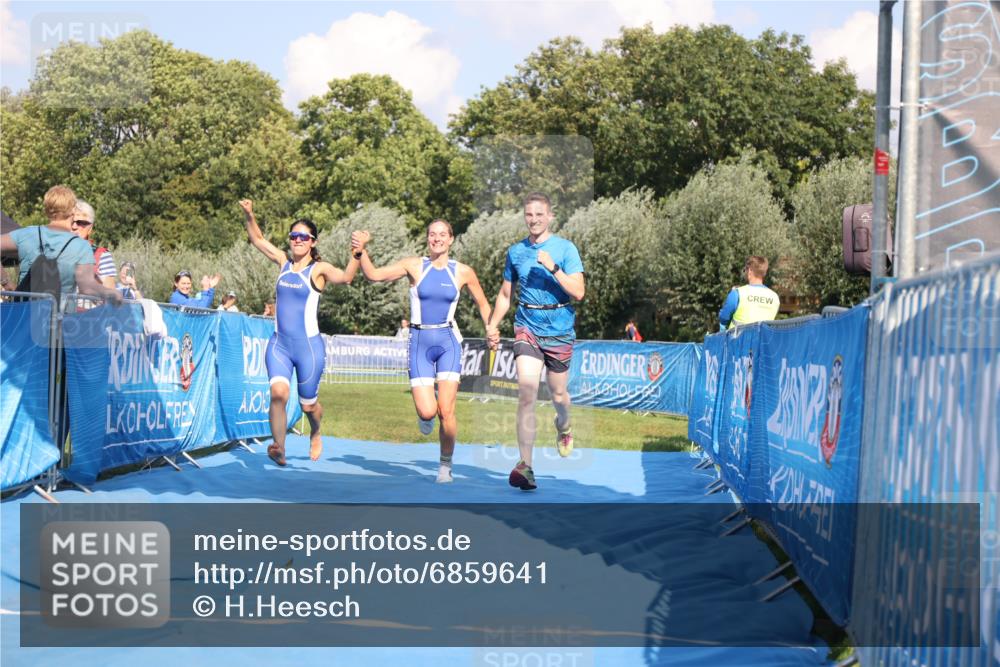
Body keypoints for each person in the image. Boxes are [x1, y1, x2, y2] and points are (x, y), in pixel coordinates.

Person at [352, 220, 492, 484]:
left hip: (448, 341)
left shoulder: (463, 272)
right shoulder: (414, 265)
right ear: (427, 239)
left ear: (451, 239)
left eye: (442, 235)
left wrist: (491, 328)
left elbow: (483, 304)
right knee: (428, 412)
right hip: (419, 341)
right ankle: (424, 416)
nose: (437, 239)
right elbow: (374, 275)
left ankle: (445, 467)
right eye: (432, 235)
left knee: (447, 410)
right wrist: (361, 252)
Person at [240, 198, 360, 466]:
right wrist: (250, 214)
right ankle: (278, 447)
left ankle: (316, 432)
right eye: (294, 236)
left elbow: (346, 278)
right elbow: (258, 239)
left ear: (313, 241)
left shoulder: (319, 269)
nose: (297, 240)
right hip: (279, 346)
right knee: (278, 395)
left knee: (308, 407)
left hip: (308, 349)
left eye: (303, 237)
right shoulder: (283, 262)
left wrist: (357, 254)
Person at [486, 192, 585, 491]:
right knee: (527, 394)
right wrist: (493, 322)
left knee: (558, 396)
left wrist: (554, 268)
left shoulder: (565, 249)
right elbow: (506, 295)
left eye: (539, 214)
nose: (534, 219)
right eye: (529, 214)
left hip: (559, 328)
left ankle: (564, 426)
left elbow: (578, 292)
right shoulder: (515, 252)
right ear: (525, 216)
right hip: (526, 325)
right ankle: (525, 466)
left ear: (550, 216)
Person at [0, 185, 122, 307]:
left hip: (24, 315)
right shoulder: (81, 246)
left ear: (46, 210)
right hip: (61, 320)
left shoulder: (26, 234)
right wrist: (110, 292)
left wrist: (6, 282)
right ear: (73, 211)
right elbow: (87, 287)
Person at [718, 255, 780, 330]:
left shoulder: (738, 293)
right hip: (763, 341)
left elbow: (724, 319)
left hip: (737, 340)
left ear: (750, 270)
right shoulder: (775, 297)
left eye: (745, 270)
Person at [71, 200, 116, 289]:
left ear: (90, 229)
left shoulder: (102, 255)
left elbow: (110, 296)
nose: (74, 227)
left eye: (81, 223)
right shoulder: (54, 252)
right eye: (71, 222)